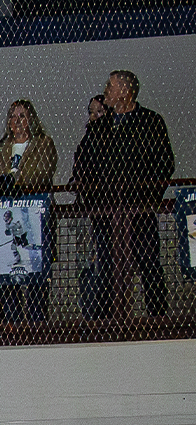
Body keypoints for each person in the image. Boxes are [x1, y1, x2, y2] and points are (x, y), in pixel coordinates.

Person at [75, 70, 175, 318]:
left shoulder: (150, 122)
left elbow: (164, 163)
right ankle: (109, 319)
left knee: (148, 262)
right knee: (108, 266)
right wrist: (90, 193)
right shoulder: (100, 127)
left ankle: (158, 317)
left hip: (138, 208)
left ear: (126, 91)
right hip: (106, 210)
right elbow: (82, 162)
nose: (106, 90)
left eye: (110, 85)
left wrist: (147, 195)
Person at [0, 100, 58, 324]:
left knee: (35, 274)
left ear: (31, 119)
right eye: (13, 116)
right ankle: (13, 323)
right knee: (9, 273)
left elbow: (43, 171)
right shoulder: (0, 147)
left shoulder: (43, 144)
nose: (17, 121)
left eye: (22, 116)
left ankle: (37, 323)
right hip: (6, 215)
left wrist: (16, 182)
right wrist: (1, 184)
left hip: (33, 213)